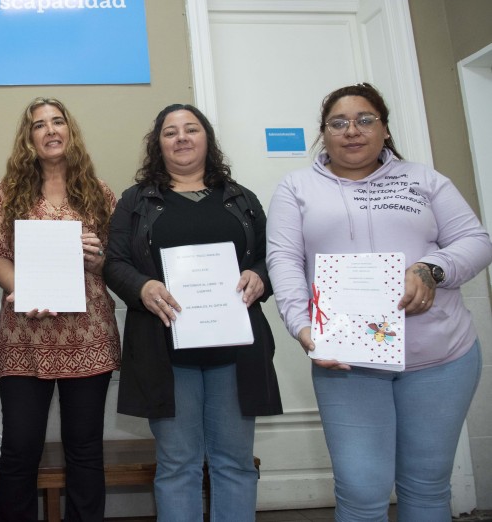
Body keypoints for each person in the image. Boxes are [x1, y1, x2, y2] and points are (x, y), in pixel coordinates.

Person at [266, 83, 492, 521]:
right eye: (339, 122)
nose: (352, 130)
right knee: (361, 491)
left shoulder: (425, 180)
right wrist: (302, 326)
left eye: (365, 120)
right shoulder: (296, 187)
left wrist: (432, 268)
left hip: (441, 358)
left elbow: (476, 241)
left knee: (427, 487)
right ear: (324, 132)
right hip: (349, 362)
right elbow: (285, 261)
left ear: (385, 129)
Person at [104, 103, 282, 522]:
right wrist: (141, 286)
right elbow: (114, 262)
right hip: (165, 352)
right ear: (158, 144)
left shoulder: (241, 198)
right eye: (170, 131)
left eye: (191, 129)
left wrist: (259, 276)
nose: (181, 138)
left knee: (234, 463)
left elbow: (274, 258)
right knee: (177, 465)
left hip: (235, 351)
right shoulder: (136, 201)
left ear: (207, 139)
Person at [0, 98, 119, 522]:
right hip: (25, 338)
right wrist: (23, 288)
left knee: (84, 449)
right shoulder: (9, 193)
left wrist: (99, 261)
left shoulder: (99, 194)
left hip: (88, 338)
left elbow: (117, 263)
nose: (50, 130)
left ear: (70, 130)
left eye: (57, 121)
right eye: (38, 125)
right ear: (29, 139)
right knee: (20, 449)